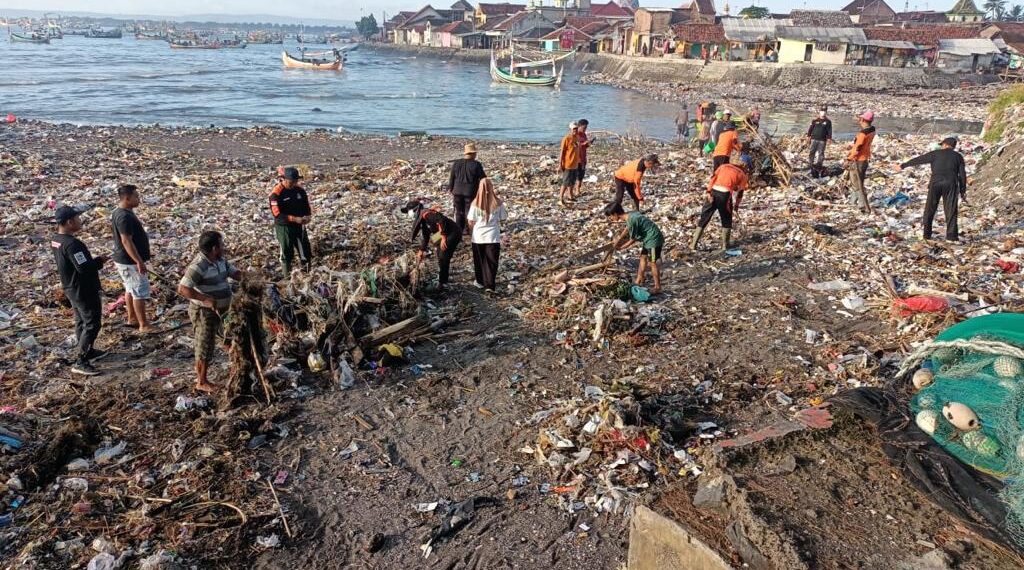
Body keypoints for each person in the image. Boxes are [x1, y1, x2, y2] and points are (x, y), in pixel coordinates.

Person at [177, 231, 242, 393]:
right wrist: (204, 298)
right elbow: (183, 288)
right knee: (205, 344)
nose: (224, 247)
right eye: (221, 244)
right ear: (214, 248)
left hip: (223, 309)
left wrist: (254, 279)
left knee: (229, 338)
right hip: (204, 311)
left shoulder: (221, 261)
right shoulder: (199, 265)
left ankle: (238, 367)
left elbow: (235, 274)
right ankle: (202, 381)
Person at [52, 205, 108, 376]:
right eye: (77, 218)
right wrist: (99, 261)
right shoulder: (73, 244)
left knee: (81, 321)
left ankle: (87, 350)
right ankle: (81, 360)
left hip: (70, 286)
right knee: (92, 322)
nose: (80, 221)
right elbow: (84, 268)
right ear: (69, 222)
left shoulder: (56, 239)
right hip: (82, 288)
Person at [896, 137, 968, 242]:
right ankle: (951, 236)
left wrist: (903, 165)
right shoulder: (958, 157)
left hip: (936, 183)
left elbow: (920, 159)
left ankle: (927, 234)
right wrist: (962, 190)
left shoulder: (936, 153)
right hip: (951, 184)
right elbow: (962, 175)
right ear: (953, 147)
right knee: (951, 210)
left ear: (944, 145)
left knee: (930, 208)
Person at [111, 184, 158, 334]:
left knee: (130, 289)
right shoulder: (124, 216)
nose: (139, 199)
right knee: (139, 291)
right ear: (127, 198)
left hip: (124, 260)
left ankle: (132, 318)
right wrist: (139, 261)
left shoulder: (120, 212)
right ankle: (144, 325)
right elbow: (126, 241)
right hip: (129, 262)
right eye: (136, 196)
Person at [603, 203, 664, 294]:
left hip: (654, 239)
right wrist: (619, 238)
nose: (610, 219)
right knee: (643, 258)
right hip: (648, 239)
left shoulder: (632, 220)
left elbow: (633, 239)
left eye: (610, 216)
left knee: (653, 263)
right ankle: (639, 279)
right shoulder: (630, 215)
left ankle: (657, 287)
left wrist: (621, 247)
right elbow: (627, 228)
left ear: (615, 214)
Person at [691, 160, 749, 252]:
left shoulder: (723, 166)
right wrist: (736, 205)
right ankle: (725, 246)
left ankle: (693, 244)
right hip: (724, 195)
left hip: (713, 192)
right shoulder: (742, 174)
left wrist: (708, 192)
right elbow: (740, 193)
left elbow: (712, 179)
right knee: (726, 219)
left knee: (704, 218)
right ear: (745, 167)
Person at [402, 199, 461, 287]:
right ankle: (442, 272)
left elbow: (441, 220)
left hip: (452, 231)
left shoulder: (426, 214)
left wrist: (444, 237)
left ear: (415, 210)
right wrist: (421, 250)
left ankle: (443, 281)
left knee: (443, 255)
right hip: (440, 233)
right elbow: (426, 236)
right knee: (435, 243)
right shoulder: (421, 220)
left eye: (408, 211)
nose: (408, 214)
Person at [269, 167, 312, 275]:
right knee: (287, 252)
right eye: (291, 182)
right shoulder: (276, 194)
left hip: (299, 226)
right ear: (283, 179)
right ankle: (287, 277)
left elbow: (306, 206)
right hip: (284, 227)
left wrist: (307, 216)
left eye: (295, 181)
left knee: (305, 251)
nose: (293, 184)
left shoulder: (300, 191)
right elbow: (277, 214)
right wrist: (293, 218)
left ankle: (307, 275)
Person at [467, 178, 508, 293]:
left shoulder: (475, 204)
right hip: (493, 237)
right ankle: (489, 285)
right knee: (491, 262)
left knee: (479, 260)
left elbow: (470, 221)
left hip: (478, 237)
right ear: (491, 187)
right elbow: (503, 218)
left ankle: (480, 282)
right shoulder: (498, 203)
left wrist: (473, 229)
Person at [448, 142, 487, 234]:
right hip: (470, 192)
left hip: (456, 191)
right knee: (468, 210)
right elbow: (483, 178)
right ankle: (467, 229)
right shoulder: (476, 164)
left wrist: (451, 189)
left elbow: (451, 178)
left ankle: (458, 229)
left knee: (458, 211)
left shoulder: (456, 163)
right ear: (473, 154)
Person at [846, 111, 876, 213]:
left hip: (858, 160)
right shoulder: (872, 130)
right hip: (865, 158)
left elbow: (858, 148)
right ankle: (853, 201)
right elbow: (860, 145)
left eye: (860, 118)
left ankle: (863, 205)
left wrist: (849, 159)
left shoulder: (863, 134)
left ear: (862, 120)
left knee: (857, 183)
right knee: (857, 182)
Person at [559, 122, 582, 207]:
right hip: (568, 164)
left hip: (575, 164)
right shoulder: (566, 138)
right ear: (570, 129)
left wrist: (579, 160)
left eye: (576, 128)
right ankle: (560, 198)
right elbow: (562, 152)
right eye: (574, 129)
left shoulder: (577, 138)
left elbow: (577, 150)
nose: (575, 130)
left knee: (572, 182)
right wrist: (560, 164)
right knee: (565, 182)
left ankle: (570, 195)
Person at [806, 108, 833, 178]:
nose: (823, 112)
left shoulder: (828, 121)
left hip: (822, 140)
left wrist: (829, 138)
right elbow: (810, 128)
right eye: (822, 111)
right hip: (814, 139)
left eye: (824, 111)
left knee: (821, 153)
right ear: (819, 112)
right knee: (812, 151)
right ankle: (810, 163)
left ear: (826, 112)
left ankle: (819, 165)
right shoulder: (815, 120)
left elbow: (829, 130)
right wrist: (808, 136)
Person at [575, 119, 595, 199]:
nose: (585, 129)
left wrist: (589, 143)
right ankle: (574, 190)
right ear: (579, 126)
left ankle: (578, 189)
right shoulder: (575, 135)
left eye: (586, 128)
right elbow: (575, 145)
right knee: (575, 175)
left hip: (583, 158)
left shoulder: (584, 135)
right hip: (576, 158)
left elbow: (585, 146)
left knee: (581, 175)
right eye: (584, 128)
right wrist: (584, 144)